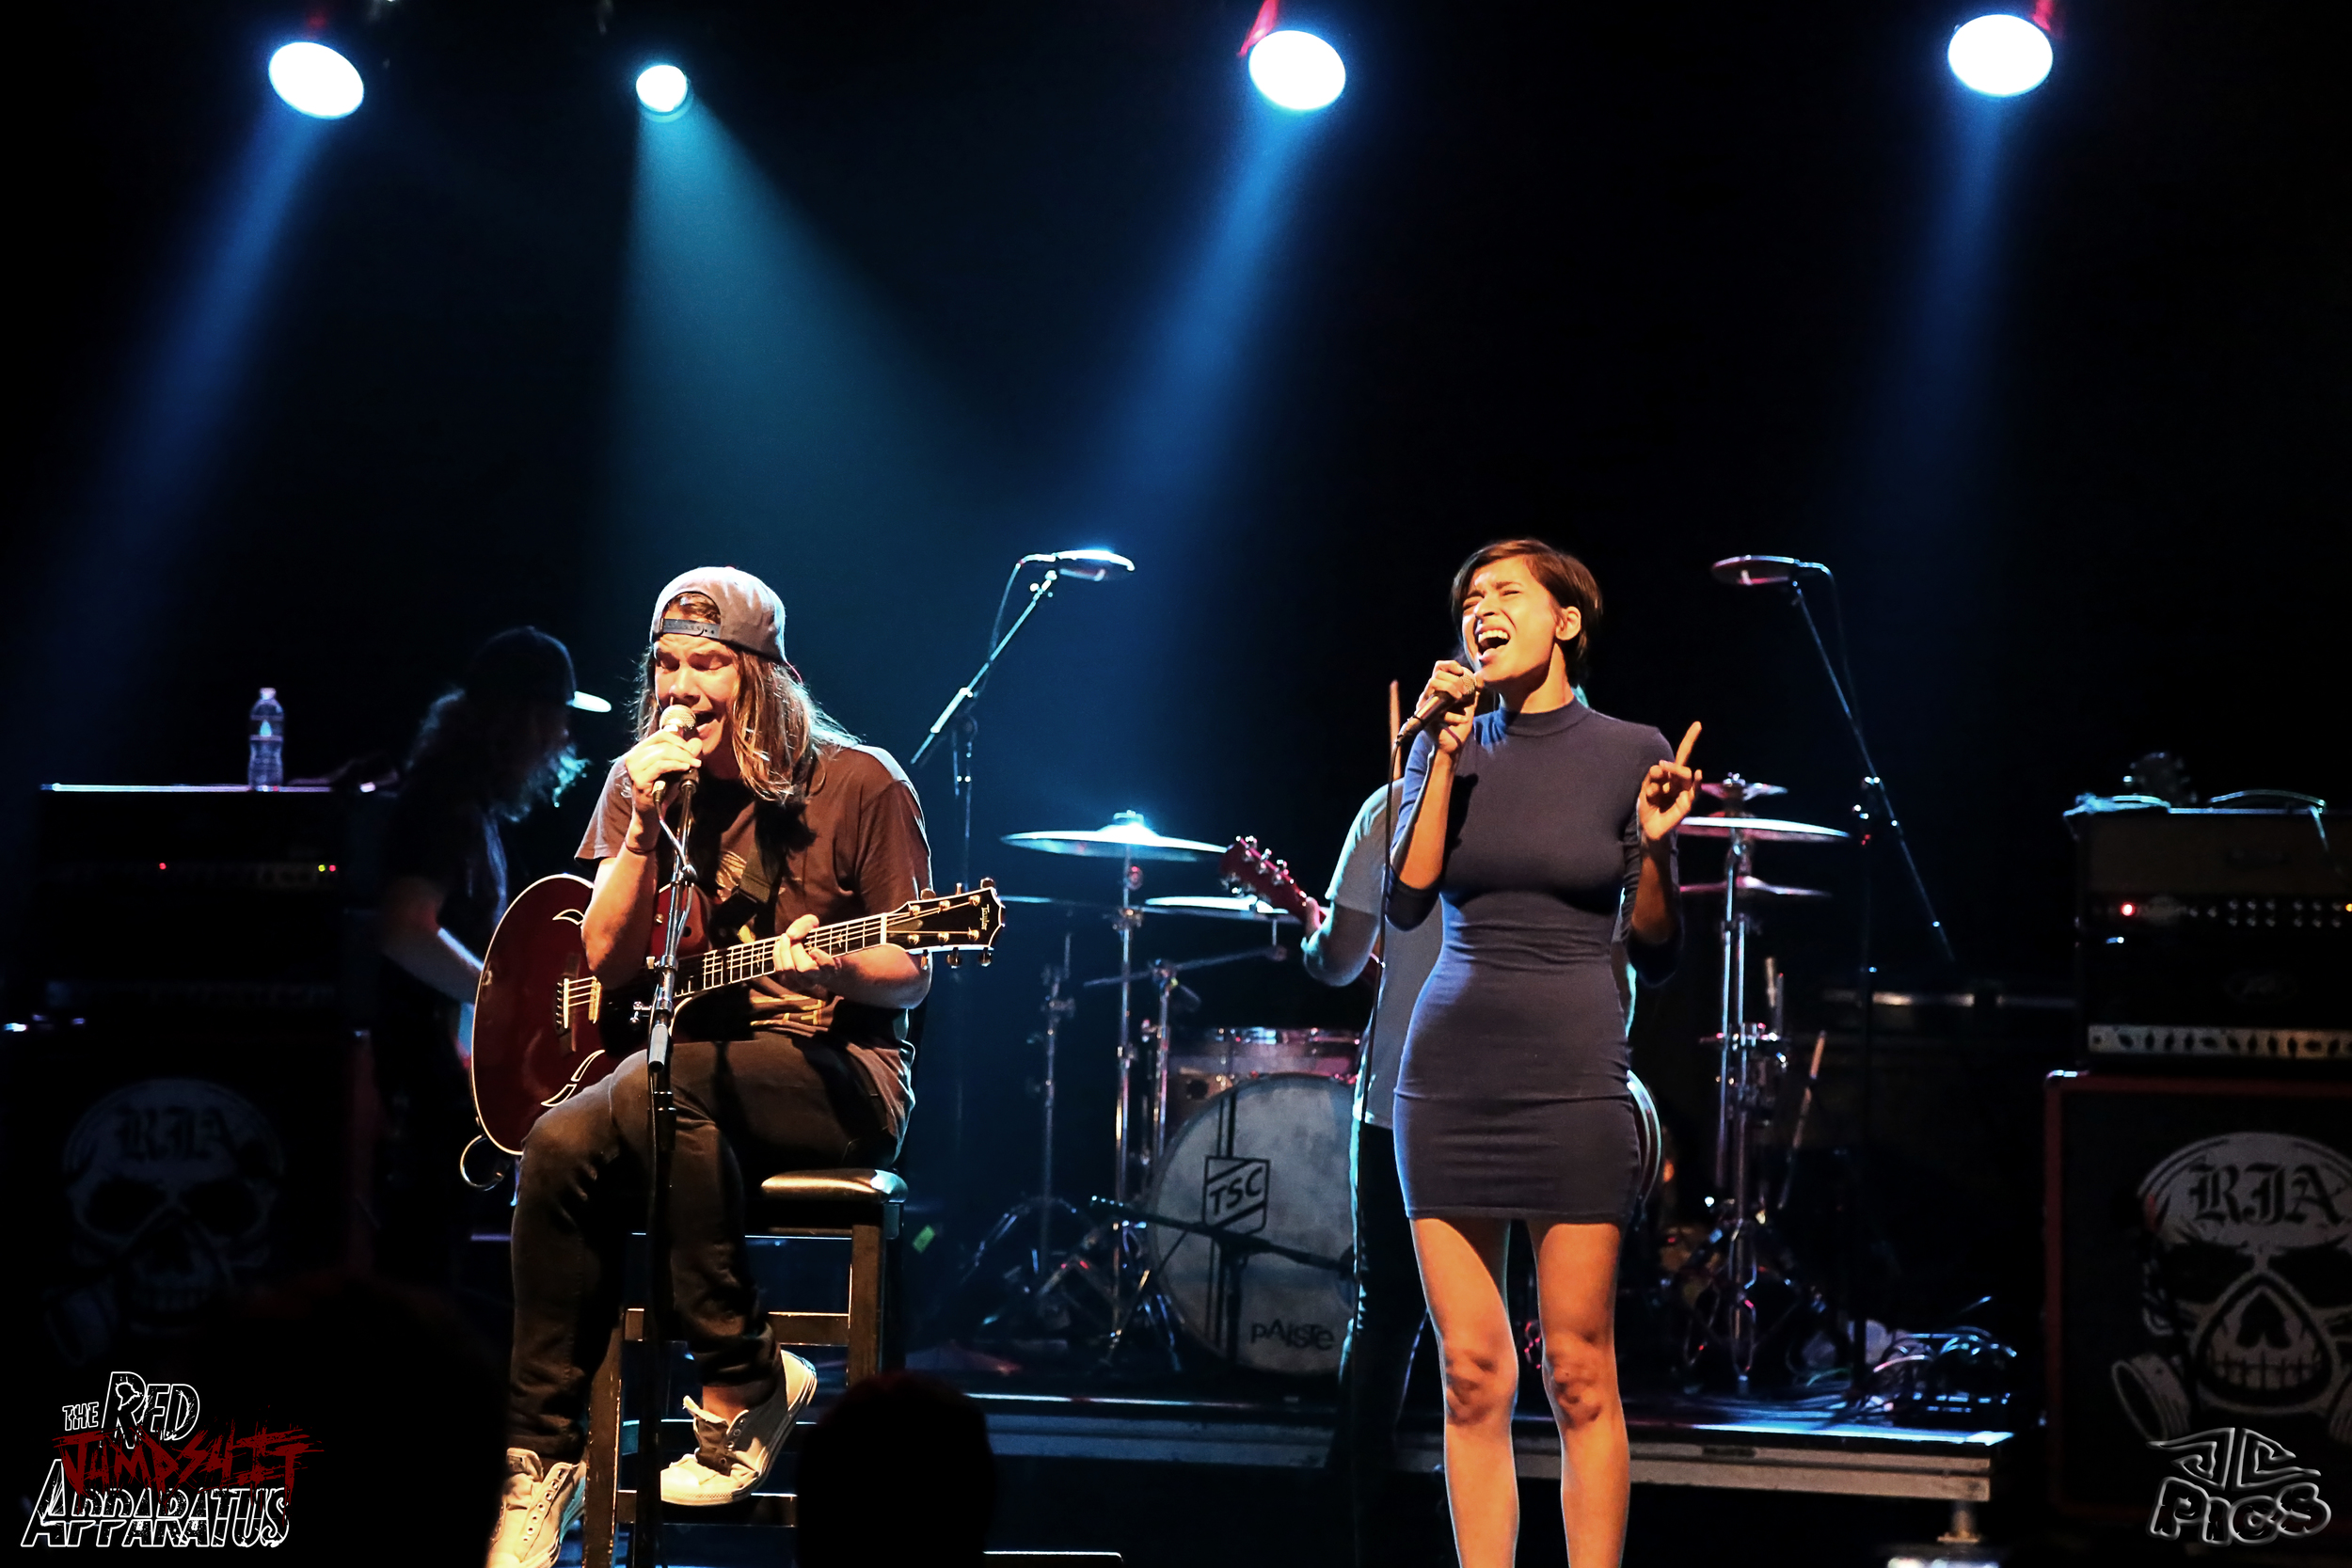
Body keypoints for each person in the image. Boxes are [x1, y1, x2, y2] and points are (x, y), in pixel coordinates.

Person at [487, 568, 933, 1568]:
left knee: (660, 1087)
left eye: (707, 665)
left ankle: (742, 1378)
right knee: (555, 1142)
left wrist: (835, 961)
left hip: (836, 1070)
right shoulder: (639, 781)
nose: (681, 688)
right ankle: (542, 1459)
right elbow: (606, 959)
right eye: (666, 665)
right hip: (680, 1077)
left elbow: (913, 968)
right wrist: (645, 823)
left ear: (764, 677)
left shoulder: (862, 783)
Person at [1388, 539, 1699, 1568]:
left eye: (1507, 592)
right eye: (1469, 597)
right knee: (1470, 1372)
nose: (1482, 608)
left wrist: (1654, 845)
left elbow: (1658, 949)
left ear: (1565, 619)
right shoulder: (1446, 742)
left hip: (1572, 1081)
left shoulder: (1629, 748)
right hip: (1447, 1079)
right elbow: (1406, 899)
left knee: (1577, 1368)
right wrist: (1437, 749)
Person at [375, 626, 602, 1288]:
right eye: (558, 718)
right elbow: (403, 928)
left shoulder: (472, 806)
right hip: (415, 1077)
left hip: (441, 1073)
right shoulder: (442, 803)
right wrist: (507, 999)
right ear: (525, 718)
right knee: (418, 1265)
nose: (564, 737)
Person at [1300, 779, 1446, 1568]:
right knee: (1492, 1330)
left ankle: (1350, 1535)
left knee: (1386, 1316)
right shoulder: (1555, 794)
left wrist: (1313, 941)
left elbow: (1339, 960)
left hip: (1404, 1098)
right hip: (1523, 1102)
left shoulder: (1394, 804)